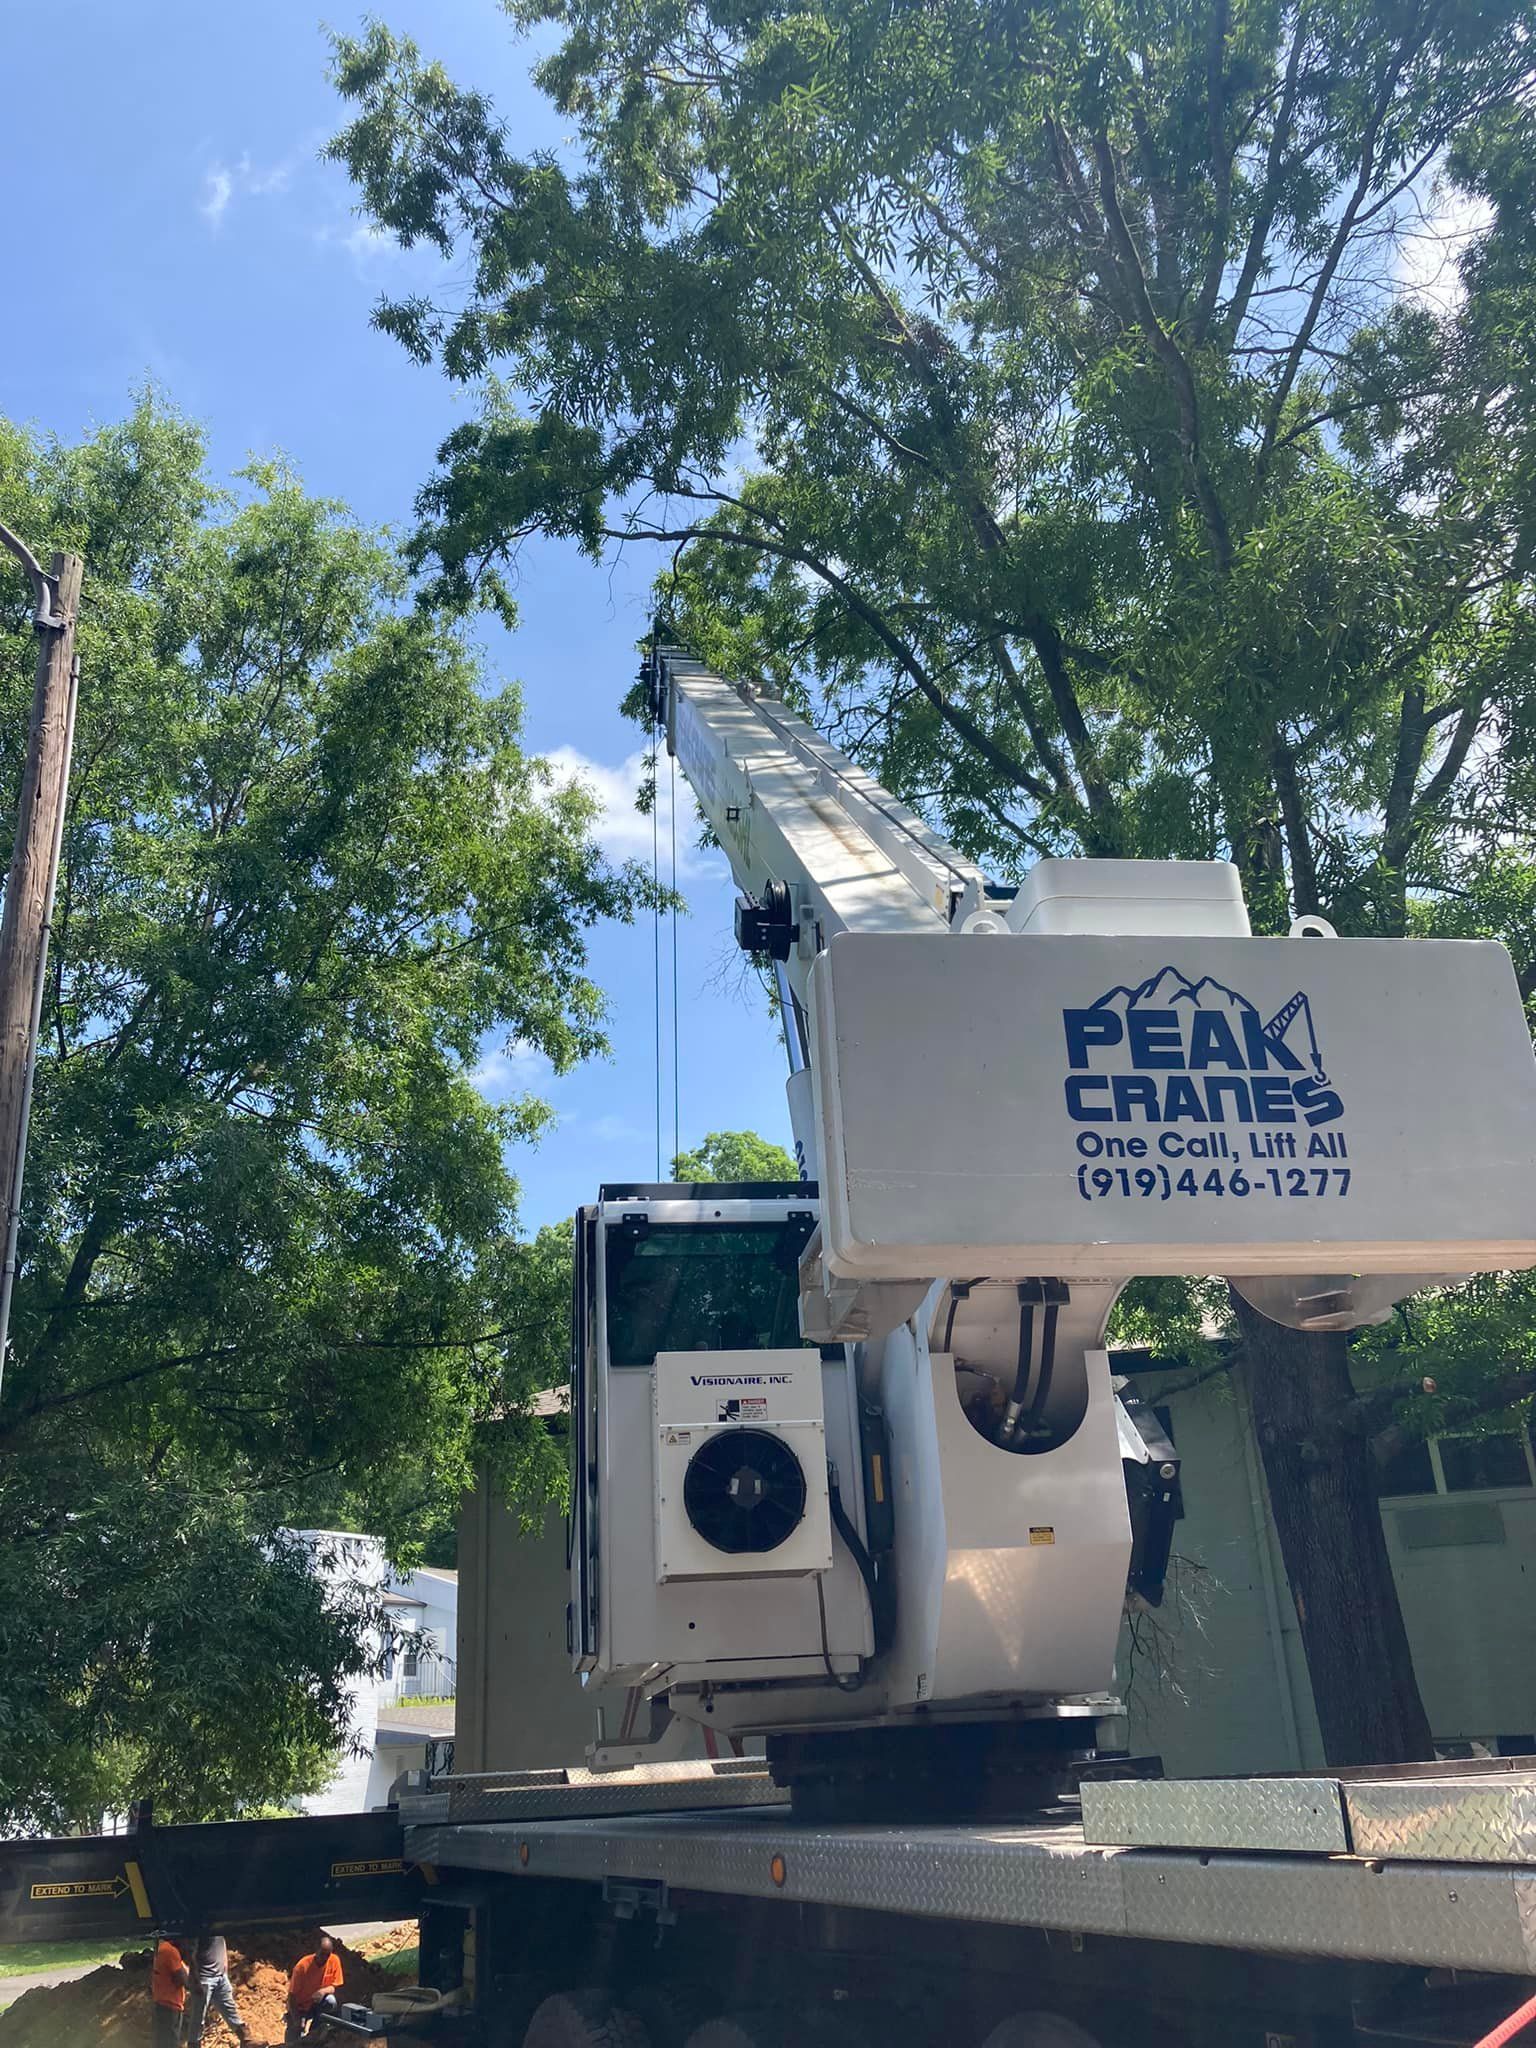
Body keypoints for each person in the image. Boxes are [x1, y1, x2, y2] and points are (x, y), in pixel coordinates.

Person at [188, 1932, 249, 2045]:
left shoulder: (218, 1927)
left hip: (220, 1976)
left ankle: (247, 2040)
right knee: (198, 2017)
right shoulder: (199, 1928)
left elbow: (222, 1944)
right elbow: (190, 1954)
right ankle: (194, 2044)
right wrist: (195, 1980)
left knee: (230, 2009)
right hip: (204, 1978)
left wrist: (224, 1969)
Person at [284, 1934, 344, 2044]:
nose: (324, 1959)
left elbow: (334, 1986)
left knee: (330, 2001)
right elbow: (292, 1996)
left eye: (327, 1955)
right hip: (300, 2006)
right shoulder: (302, 1967)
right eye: (322, 1954)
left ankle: (314, 2034)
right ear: (316, 1951)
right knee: (294, 2039)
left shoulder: (334, 1960)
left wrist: (323, 1991)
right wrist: (297, 2019)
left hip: (317, 2003)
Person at [150, 1931, 190, 2048]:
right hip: (169, 2005)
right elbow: (183, 1980)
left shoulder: (164, 1948)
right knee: (170, 2042)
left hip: (163, 2003)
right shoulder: (171, 1952)